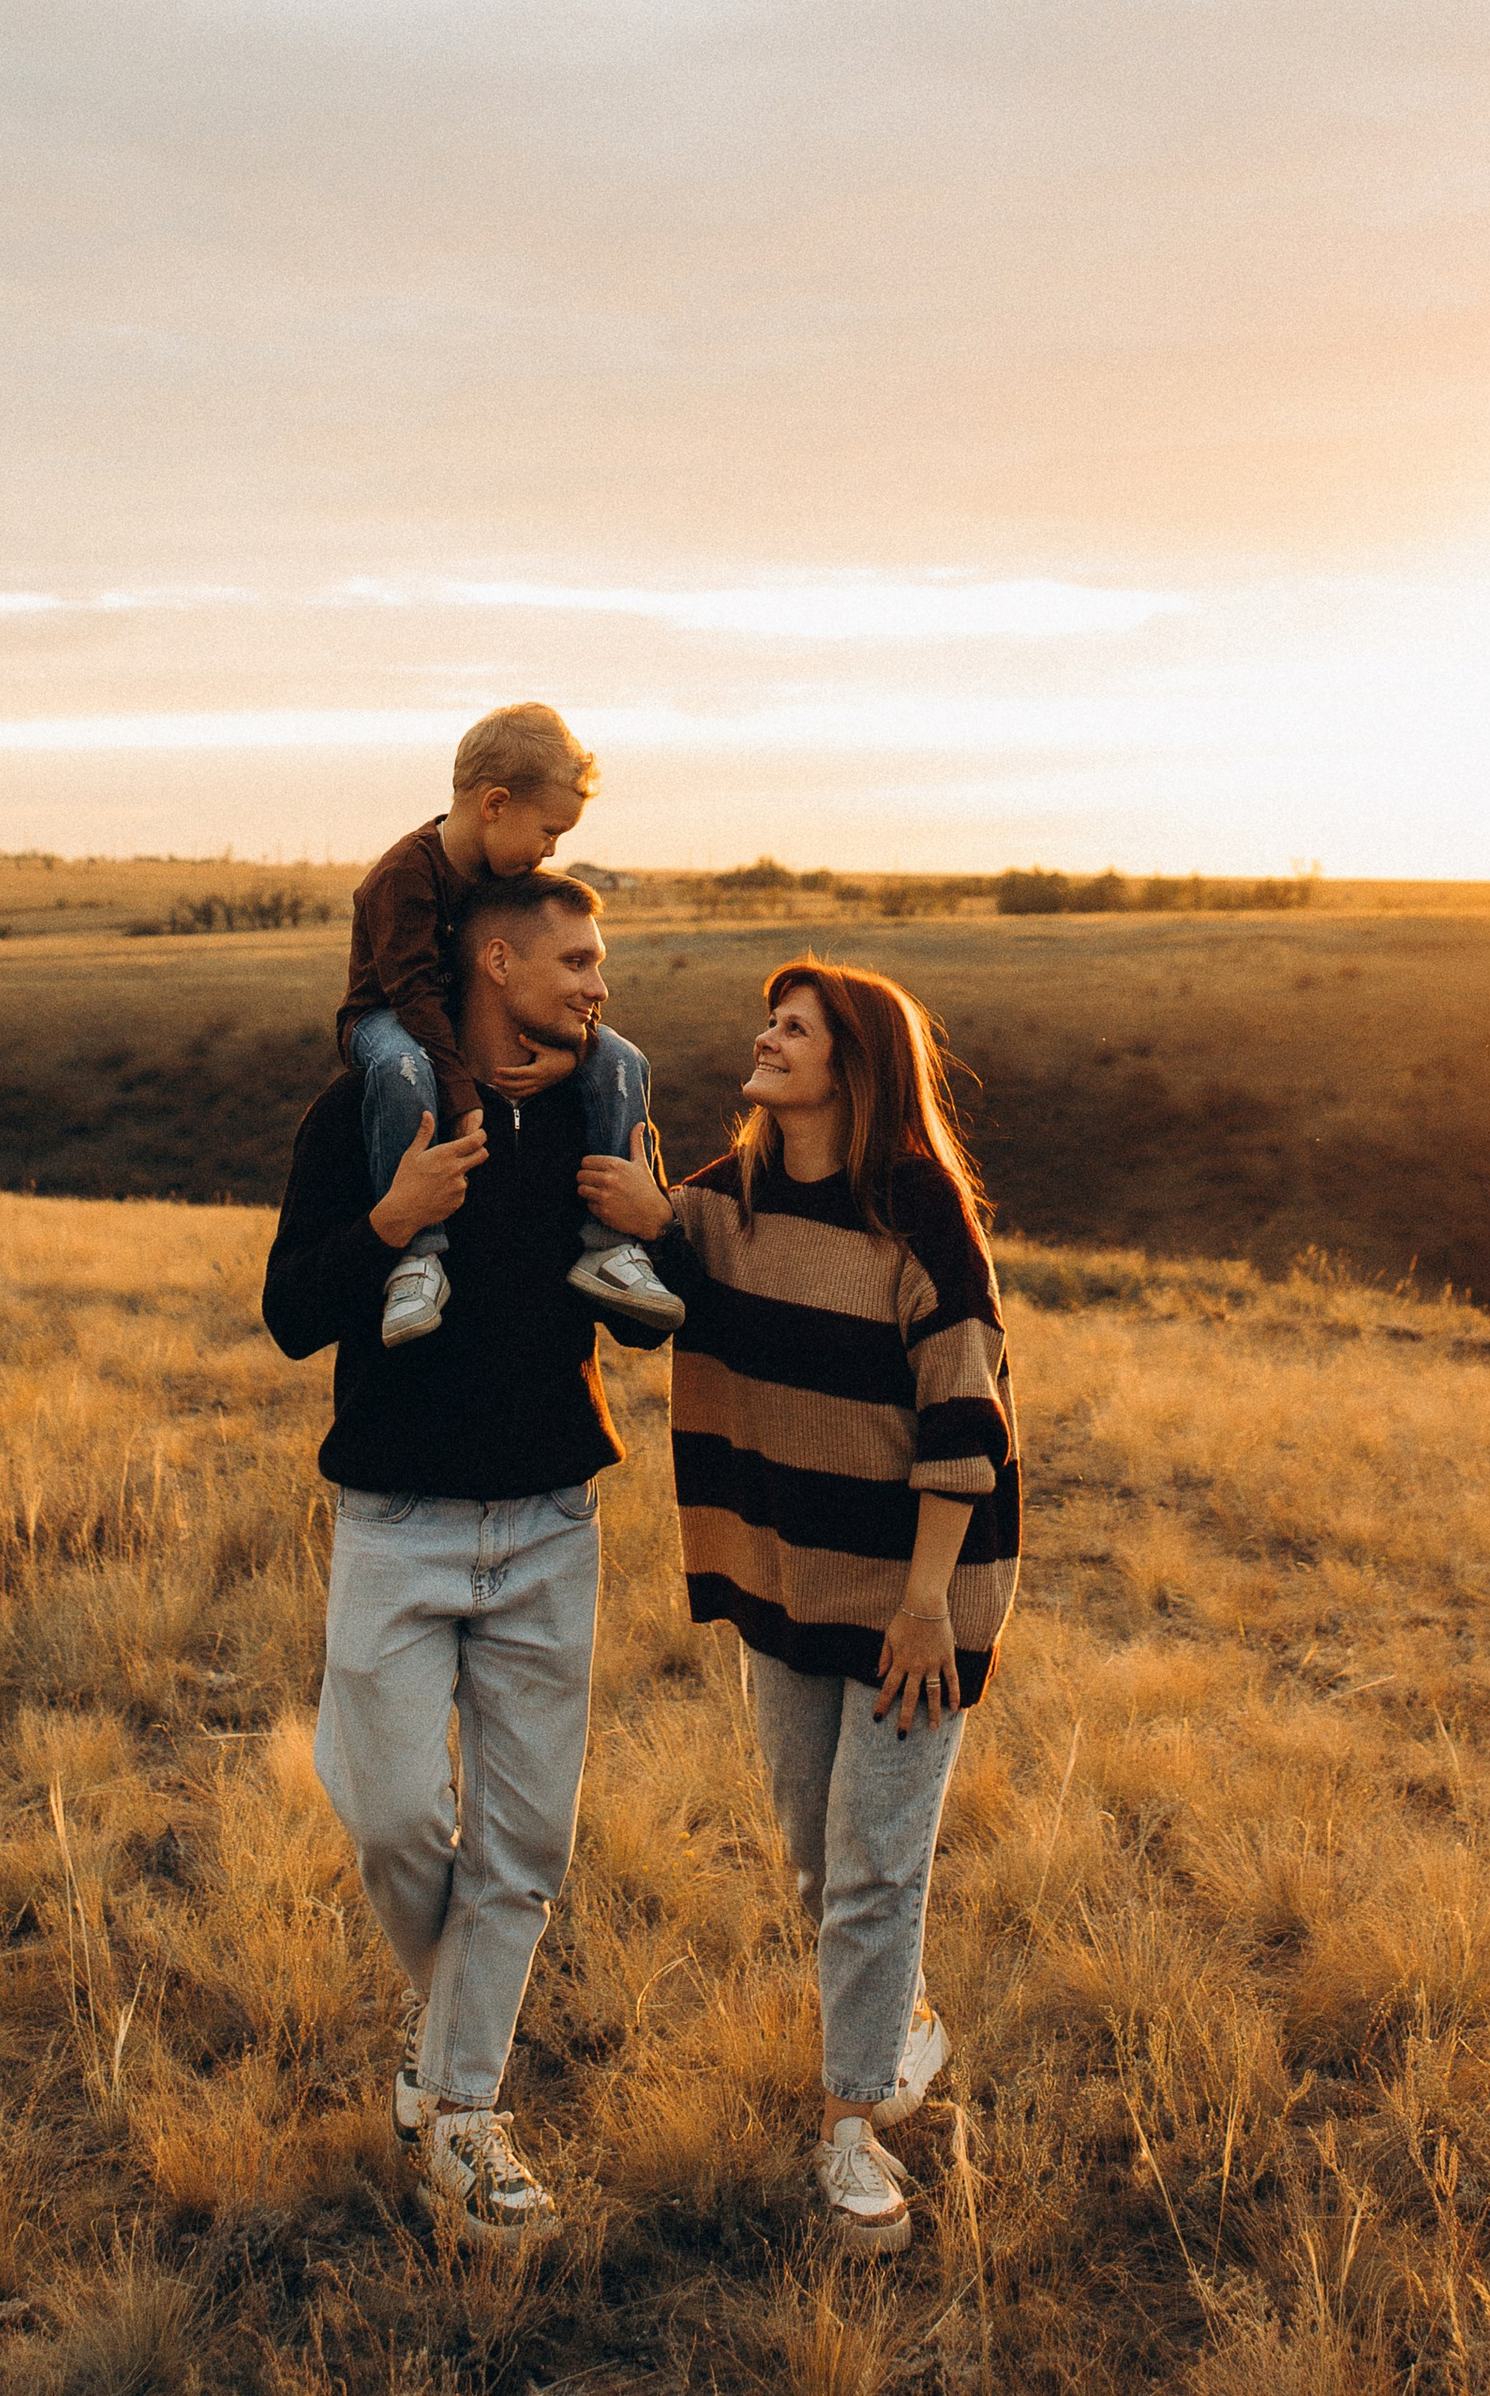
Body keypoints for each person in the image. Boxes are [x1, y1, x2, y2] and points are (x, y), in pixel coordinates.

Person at [578, 958, 1019, 2255]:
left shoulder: (919, 1212)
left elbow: (966, 1409)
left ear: (853, 1067)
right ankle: (904, 2027)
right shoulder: (725, 1206)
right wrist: (625, 1204)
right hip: (783, 1582)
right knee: (819, 1856)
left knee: (876, 1867)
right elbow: (654, 1283)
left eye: (796, 1028)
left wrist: (928, 1603)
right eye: (769, 1022)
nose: (766, 1040)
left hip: (917, 1595)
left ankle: (851, 2134)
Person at [265, 868, 674, 2242]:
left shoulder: (599, 1108)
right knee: (392, 1820)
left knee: (525, 1848)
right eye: (578, 960)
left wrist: (643, 1217)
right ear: (495, 964)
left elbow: (641, 1326)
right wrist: (391, 1219)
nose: (597, 985)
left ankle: (461, 2115)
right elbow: (287, 1313)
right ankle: (449, 2053)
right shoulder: (366, 1113)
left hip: (553, 1520)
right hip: (398, 1523)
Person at [335, 701, 681, 1346]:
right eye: (549, 831)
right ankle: (416, 1252)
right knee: (402, 1065)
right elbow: (412, 994)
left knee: (624, 1059)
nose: (552, 851)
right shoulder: (405, 875)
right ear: (495, 804)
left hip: (559, 1437)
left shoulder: (511, 875)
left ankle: (611, 1245)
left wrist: (574, 1054)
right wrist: (465, 1094)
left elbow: (562, 981)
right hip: (385, 1018)